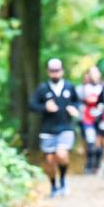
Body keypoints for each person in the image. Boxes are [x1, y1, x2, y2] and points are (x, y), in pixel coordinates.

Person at [29, 58, 79, 197]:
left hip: (65, 127)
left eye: (57, 70)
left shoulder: (69, 86)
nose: (55, 73)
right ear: (48, 72)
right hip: (47, 129)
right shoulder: (42, 88)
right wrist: (45, 107)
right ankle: (53, 185)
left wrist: (74, 109)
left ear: (62, 71)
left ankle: (63, 179)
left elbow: (77, 102)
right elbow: (32, 105)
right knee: (50, 161)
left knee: (62, 154)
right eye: (52, 71)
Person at [75, 66, 104, 174]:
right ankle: (89, 165)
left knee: (100, 143)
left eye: (96, 73)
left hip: (101, 119)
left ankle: (98, 165)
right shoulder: (82, 89)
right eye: (91, 73)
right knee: (90, 142)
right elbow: (76, 102)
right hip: (87, 119)